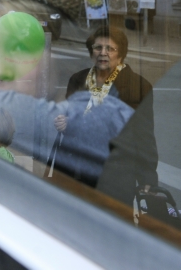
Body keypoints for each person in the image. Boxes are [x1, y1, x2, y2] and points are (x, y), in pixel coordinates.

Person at [56, 26, 158, 200]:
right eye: (98, 48)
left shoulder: (137, 86)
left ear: (121, 55)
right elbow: (71, 118)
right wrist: (64, 123)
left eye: (110, 49)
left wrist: (147, 177)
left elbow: (143, 135)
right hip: (76, 169)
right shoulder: (78, 79)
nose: (103, 53)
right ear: (91, 52)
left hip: (115, 174)